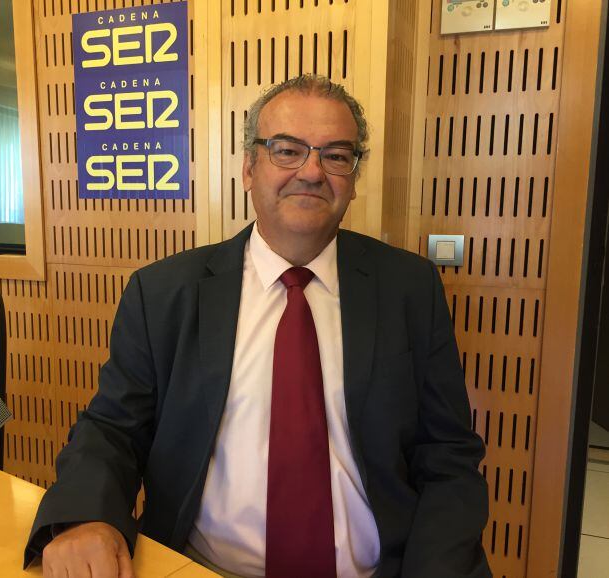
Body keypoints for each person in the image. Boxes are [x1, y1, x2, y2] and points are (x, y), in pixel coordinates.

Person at [25, 75, 491, 578]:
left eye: (336, 156)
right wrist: (86, 517)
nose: (311, 172)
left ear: (354, 179)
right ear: (249, 168)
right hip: (201, 568)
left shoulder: (409, 288)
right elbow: (112, 430)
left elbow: (447, 455)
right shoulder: (163, 294)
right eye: (287, 150)